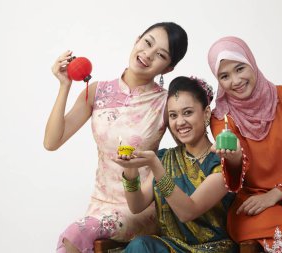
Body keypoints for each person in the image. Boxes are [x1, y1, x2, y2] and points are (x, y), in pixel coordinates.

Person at [44, 22, 188, 253]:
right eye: (147, 43)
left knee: (73, 236)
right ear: (137, 39)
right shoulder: (97, 91)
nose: (147, 55)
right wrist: (64, 86)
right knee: (79, 233)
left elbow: (189, 153)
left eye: (160, 55)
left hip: (139, 209)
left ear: (168, 69)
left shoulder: (165, 103)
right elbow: (52, 142)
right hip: (98, 206)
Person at [207, 36, 282, 252]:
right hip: (252, 207)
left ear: (252, 63)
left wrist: (275, 194)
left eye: (240, 68)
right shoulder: (222, 117)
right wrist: (234, 157)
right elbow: (234, 179)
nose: (235, 80)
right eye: (224, 76)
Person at [113, 76, 238, 253]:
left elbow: (188, 211)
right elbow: (136, 205)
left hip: (213, 250)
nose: (179, 122)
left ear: (206, 113)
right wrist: (130, 169)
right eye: (173, 115)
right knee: (140, 245)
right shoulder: (167, 158)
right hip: (172, 247)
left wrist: (156, 167)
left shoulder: (223, 162)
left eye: (187, 112)